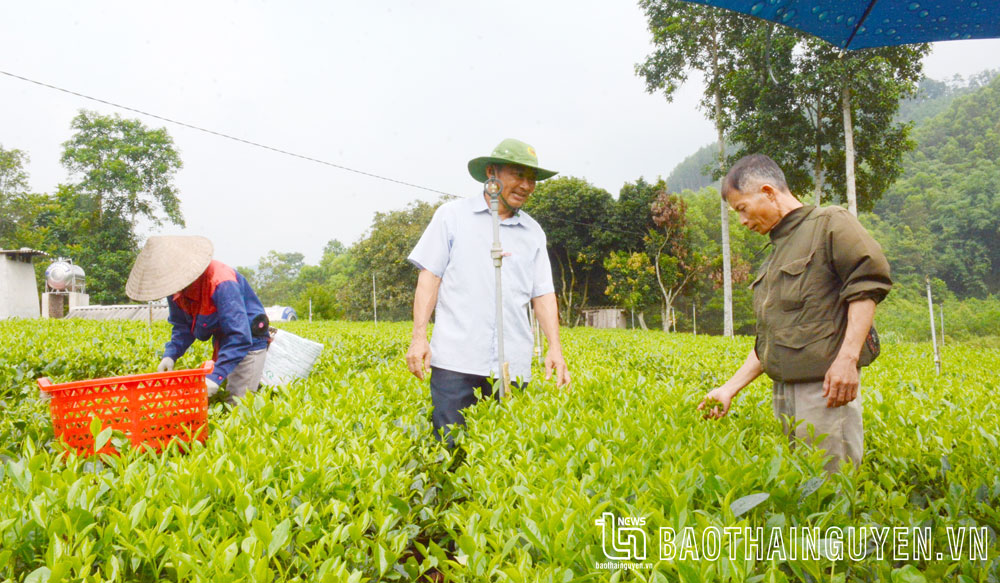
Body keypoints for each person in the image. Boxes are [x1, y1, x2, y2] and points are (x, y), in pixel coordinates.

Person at [698, 154, 891, 474]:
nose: (743, 222)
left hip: (826, 393)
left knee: (830, 494)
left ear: (768, 192)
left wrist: (848, 360)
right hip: (785, 395)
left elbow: (867, 282)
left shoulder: (829, 223)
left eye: (742, 209)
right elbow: (773, 339)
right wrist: (728, 388)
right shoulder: (777, 253)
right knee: (805, 493)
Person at [405, 138, 571, 442]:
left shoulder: (533, 232)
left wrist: (555, 348)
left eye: (532, 178)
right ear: (492, 172)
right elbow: (429, 278)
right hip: (457, 363)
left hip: (512, 366)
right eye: (518, 175)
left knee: (505, 457)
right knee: (452, 450)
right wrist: (419, 338)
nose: (526, 185)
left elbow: (543, 294)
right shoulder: (452, 216)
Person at [125, 235, 270, 405]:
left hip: (249, 341)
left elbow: (239, 335)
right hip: (224, 340)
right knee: (219, 399)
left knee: (237, 403)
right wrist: (170, 355)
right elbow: (182, 326)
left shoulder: (221, 281)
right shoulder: (175, 290)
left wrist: (216, 376)